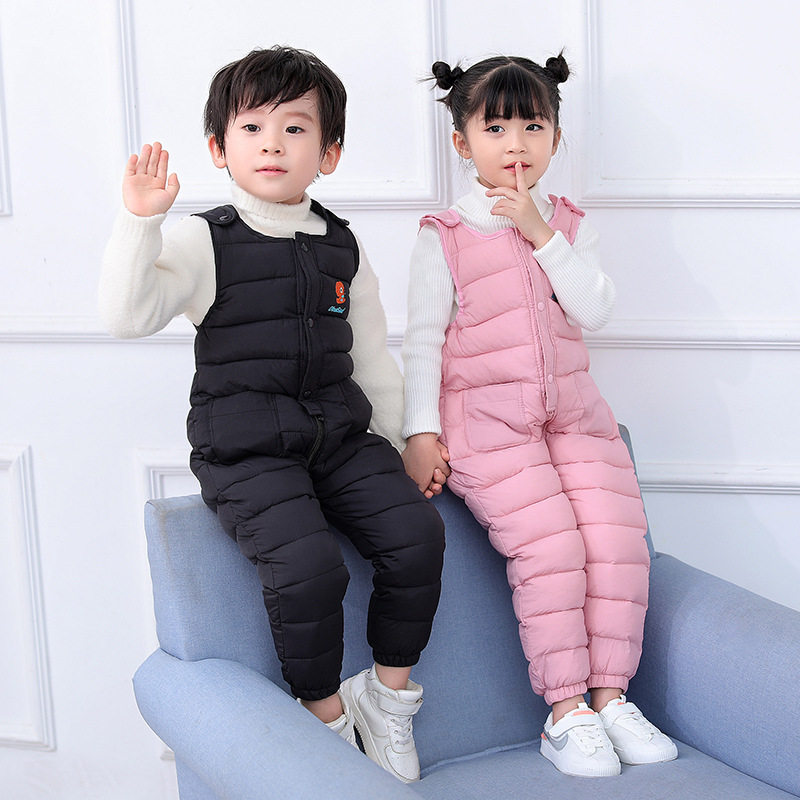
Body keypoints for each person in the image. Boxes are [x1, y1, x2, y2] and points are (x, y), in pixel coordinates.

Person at [99, 46, 445, 784]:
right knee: (309, 569)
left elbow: (372, 356)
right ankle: (325, 718)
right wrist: (140, 224)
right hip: (246, 446)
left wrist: (406, 439)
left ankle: (387, 698)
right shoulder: (204, 238)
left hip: (340, 436)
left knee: (417, 536)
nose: (272, 145)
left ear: (329, 153)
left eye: (295, 128)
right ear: (219, 148)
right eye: (252, 128)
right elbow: (128, 317)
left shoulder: (340, 244)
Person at [401, 52, 677, 778]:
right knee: (553, 549)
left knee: (616, 542)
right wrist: (419, 432)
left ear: (556, 137)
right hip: (488, 428)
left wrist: (540, 233)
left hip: (578, 421)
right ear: (462, 142)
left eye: (533, 125)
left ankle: (611, 699)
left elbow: (595, 309)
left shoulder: (569, 226)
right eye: (495, 128)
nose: (516, 143)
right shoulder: (445, 233)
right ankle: (565, 712)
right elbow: (423, 339)